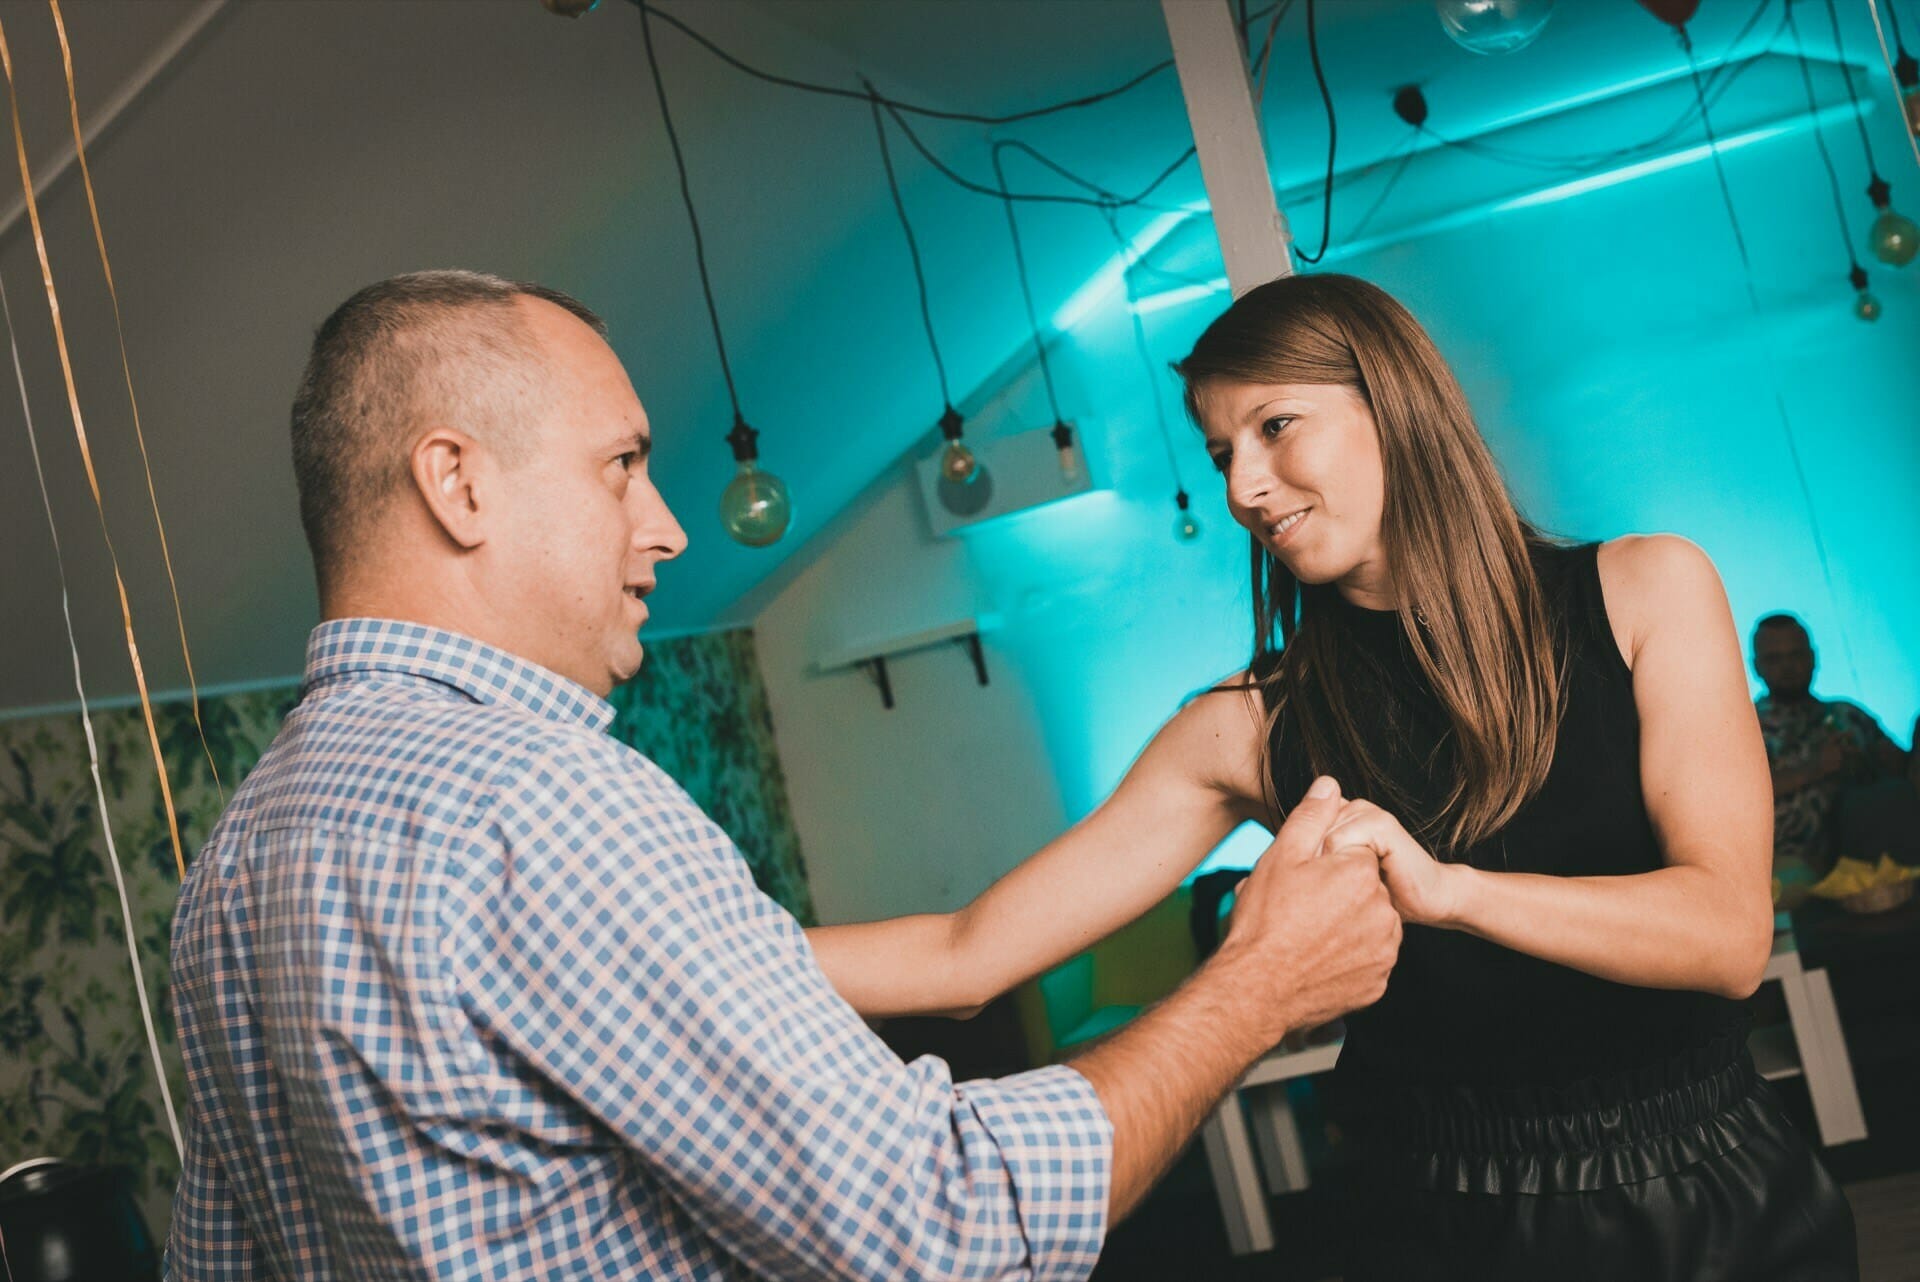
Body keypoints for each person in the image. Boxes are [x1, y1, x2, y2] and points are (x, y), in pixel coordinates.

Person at [164, 270, 1404, 1281]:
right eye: (621, 466)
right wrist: (1257, 985)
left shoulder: (233, 859)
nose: (669, 528)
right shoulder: (540, 808)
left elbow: (219, 1260)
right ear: (458, 482)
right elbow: (943, 1229)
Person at [810, 273, 1857, 1280]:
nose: (1241, 488)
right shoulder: (1246, 727)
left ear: (1393, 402)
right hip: (1432, 1222)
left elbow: (1725, 936)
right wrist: (672, 944)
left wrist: (1452, 891)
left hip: (1708, 1203)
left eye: (1274, 428)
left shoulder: (1645, 591)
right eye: (1222, 451)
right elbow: (964, 956)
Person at [1752, 613, 1911, 899]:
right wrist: (1814, 768)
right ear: (1757, 667)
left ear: (1813, 658)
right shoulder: (1744, 728)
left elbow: (1903, 770)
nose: (1788, 667)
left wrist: (1868, 760)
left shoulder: (1847, 715)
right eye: (1775, 659)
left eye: (1796, 655)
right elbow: (1734, 798)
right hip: (1786, 862)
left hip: (1869, 854)